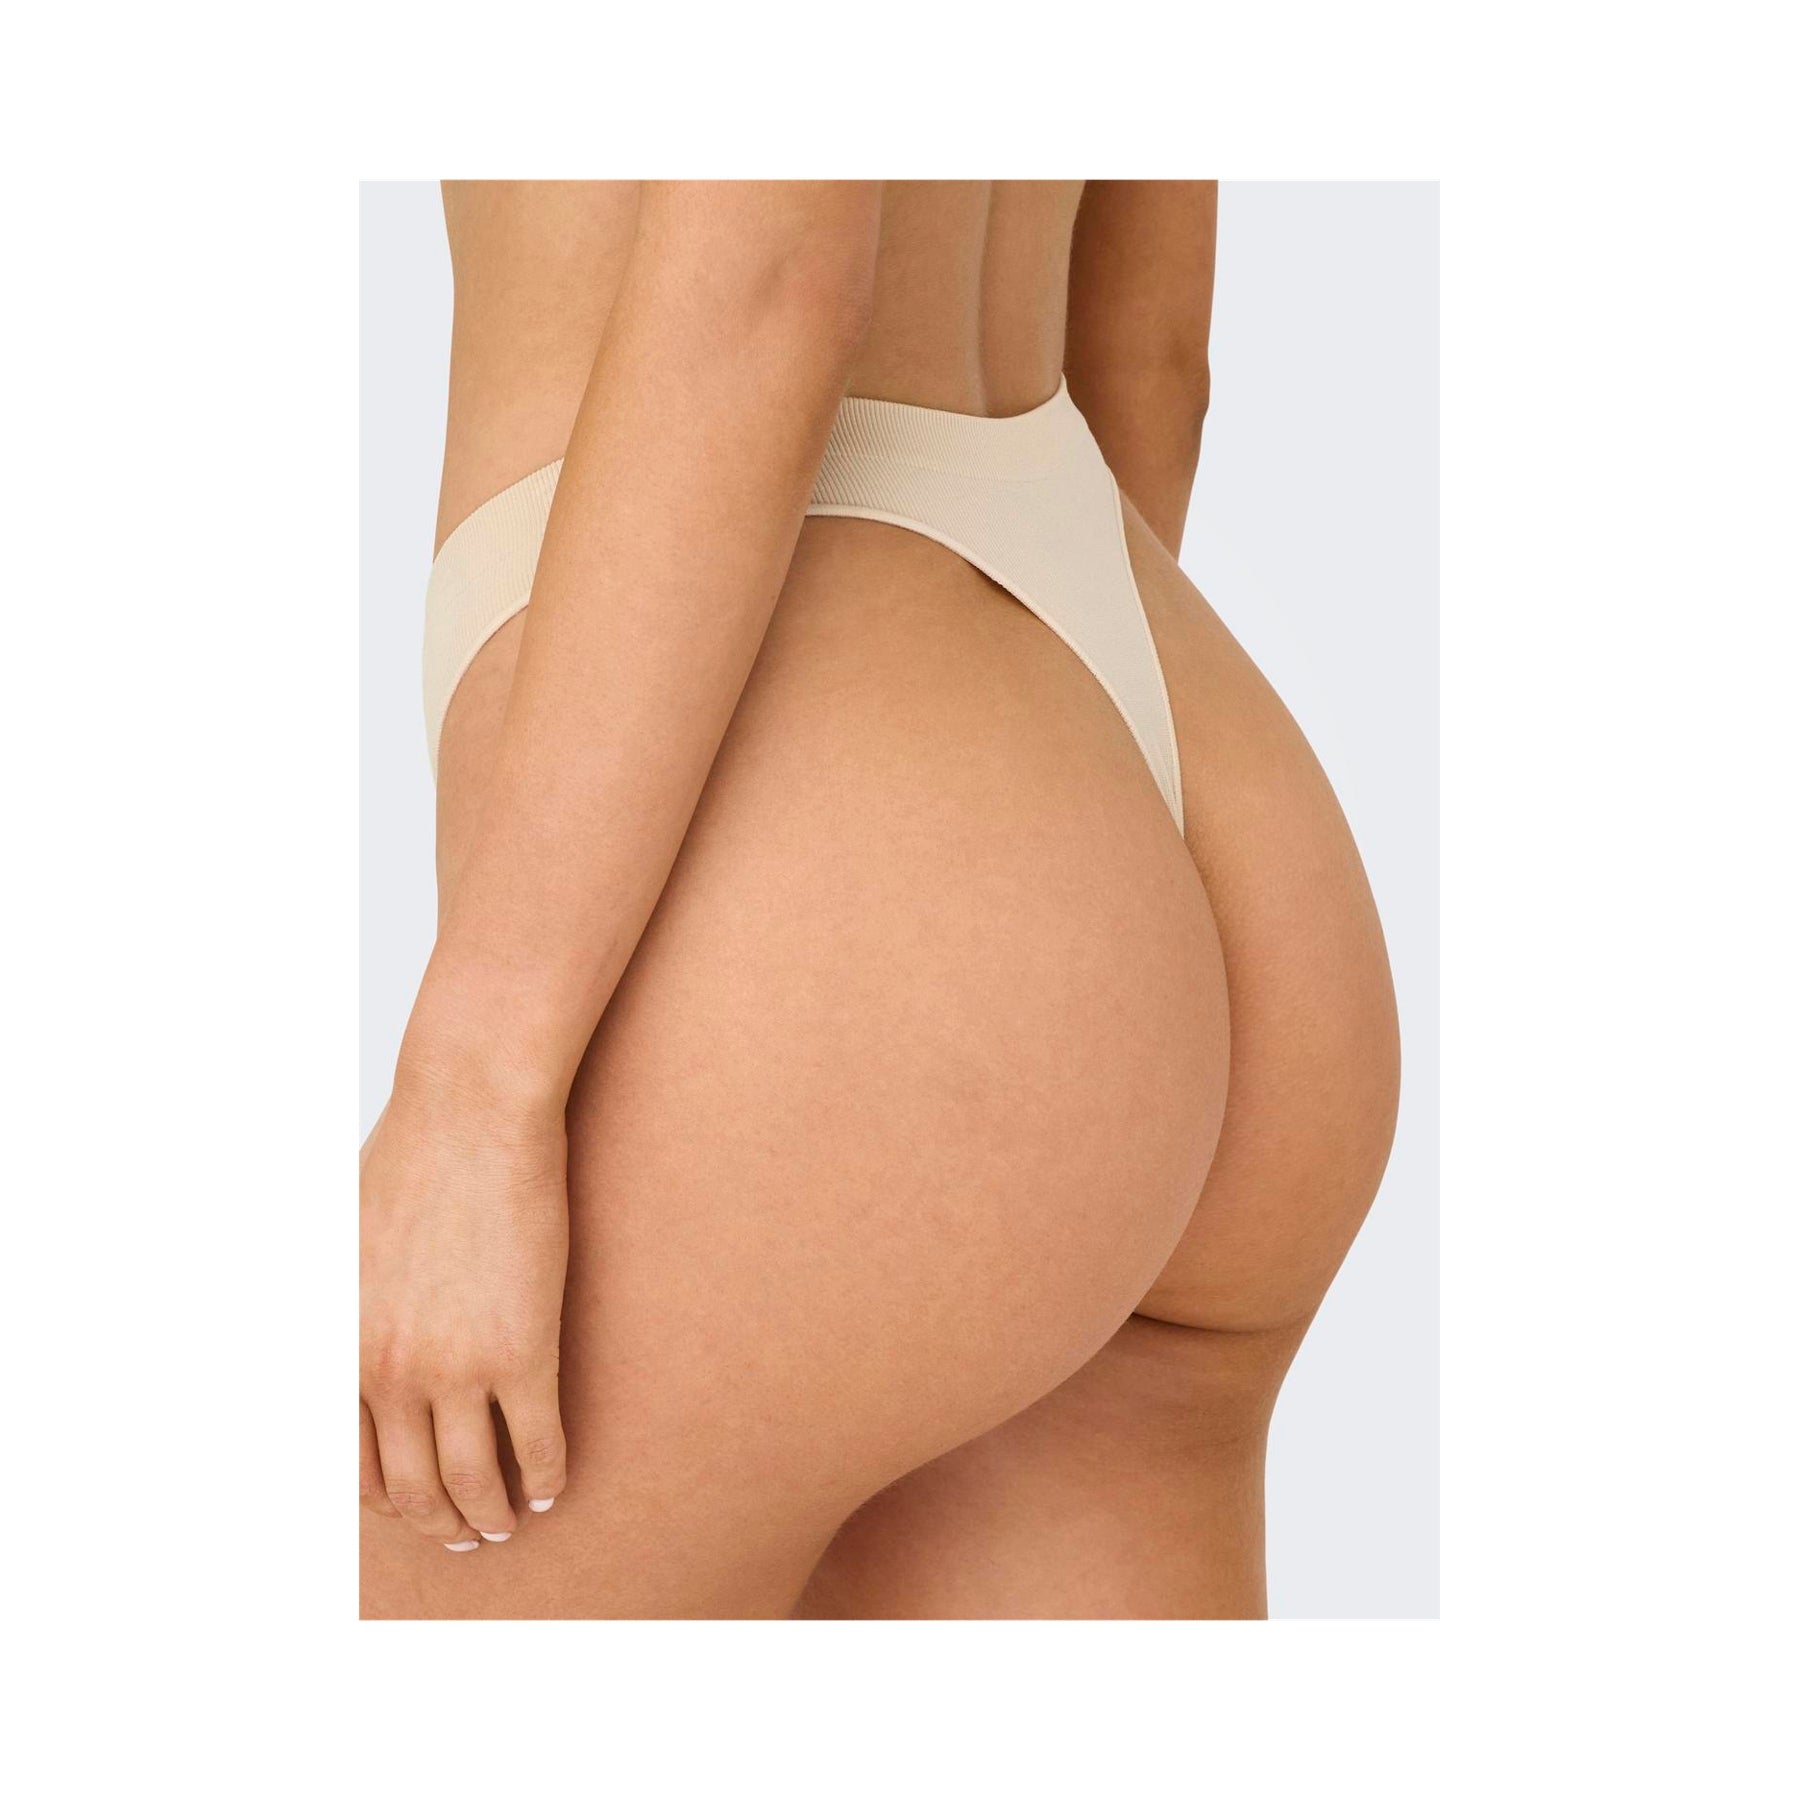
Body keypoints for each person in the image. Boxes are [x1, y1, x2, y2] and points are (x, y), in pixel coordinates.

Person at [360, 180, 1400, 1619]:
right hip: (1169, 746)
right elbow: (1152, 348)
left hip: (825, 796)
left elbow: (771, 274)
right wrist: (1074, 918)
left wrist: (474, 1090)